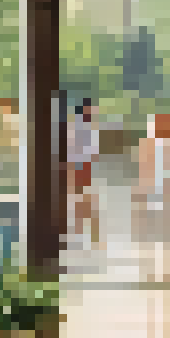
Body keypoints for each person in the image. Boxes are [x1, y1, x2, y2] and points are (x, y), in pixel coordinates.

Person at [68, 98, 101, 245]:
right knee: (83, 198)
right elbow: (90, 151)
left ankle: (86, 231)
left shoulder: (80, 126)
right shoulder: (81, 127)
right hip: (80, 165)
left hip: (83, 165)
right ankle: (85, 231)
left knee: (83, 198)